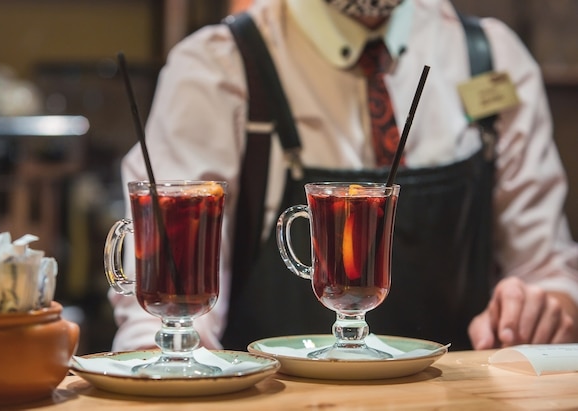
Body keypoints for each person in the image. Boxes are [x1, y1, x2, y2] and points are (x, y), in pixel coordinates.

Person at [110, 0, 578, 352]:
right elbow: (171, 296)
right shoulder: (219, 67)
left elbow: (545, 268)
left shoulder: (492, 58)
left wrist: (543, 307)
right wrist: (168, 359)